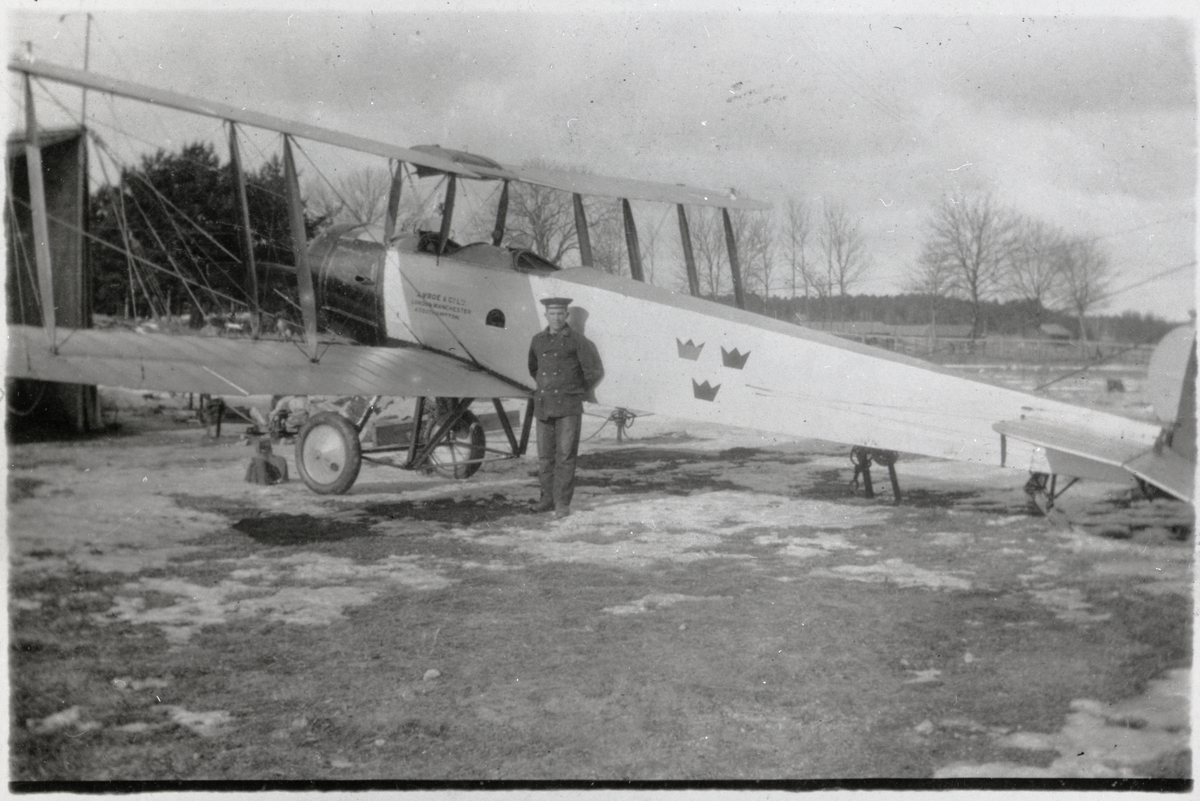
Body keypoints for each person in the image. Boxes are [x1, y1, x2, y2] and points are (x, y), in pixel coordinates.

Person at [528, 297, 603, 518]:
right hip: (544, 406)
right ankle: (546, 499)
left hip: (569, 406)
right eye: (552, 313)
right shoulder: (537, 341)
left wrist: (574, 389)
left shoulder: (578, 341)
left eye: (561, 313)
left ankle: (561, 502)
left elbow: (594, 371)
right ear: (546, 316)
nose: (557, 317)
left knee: (565, 455)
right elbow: (534, 368)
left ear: (566, 315)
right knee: (545, 457)